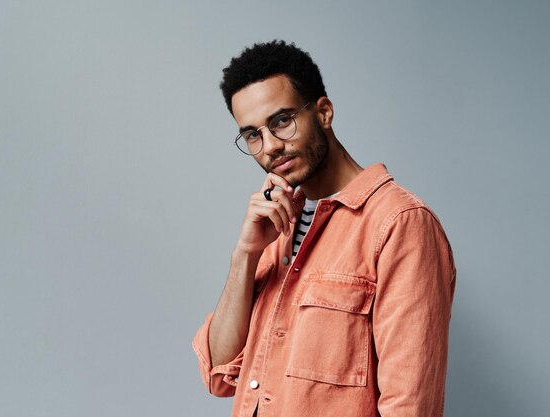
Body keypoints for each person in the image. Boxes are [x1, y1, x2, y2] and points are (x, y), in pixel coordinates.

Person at [192, 40, 456, 417]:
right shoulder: (277, 225)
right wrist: (245, 255)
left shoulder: (399, 224)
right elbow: (219, 373)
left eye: (281, 121)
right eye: (253, 134)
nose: (270, 147)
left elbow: (410, 406)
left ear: (324, 112)